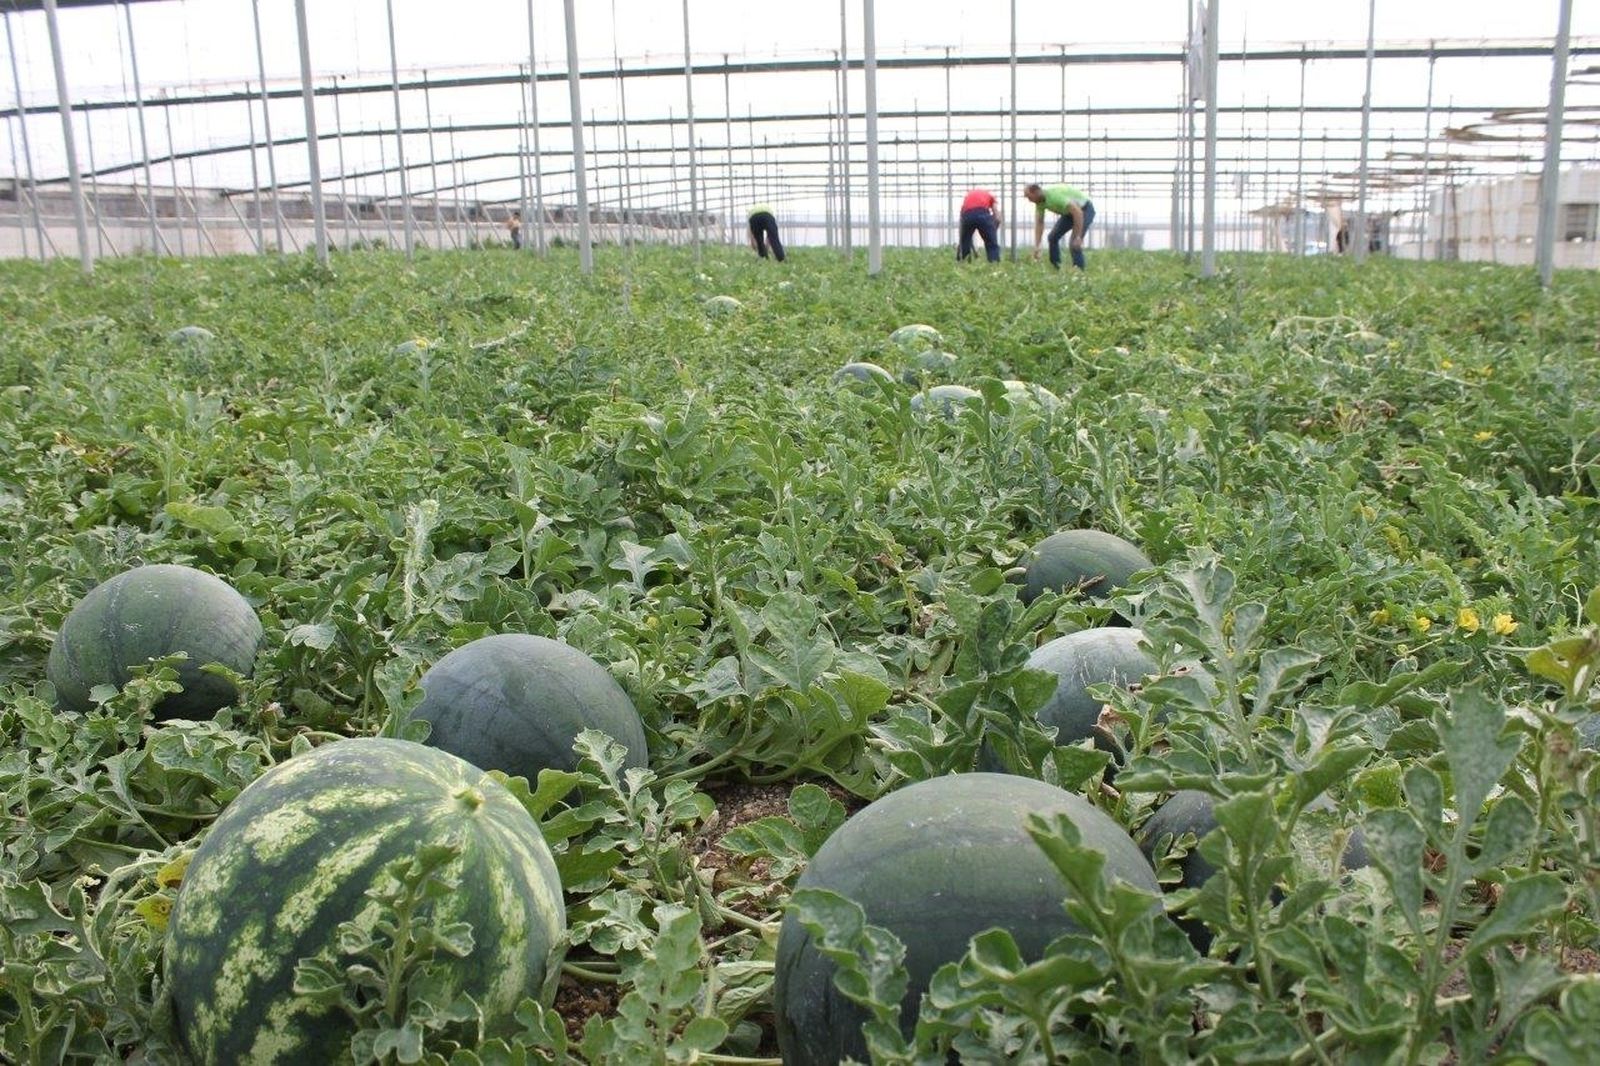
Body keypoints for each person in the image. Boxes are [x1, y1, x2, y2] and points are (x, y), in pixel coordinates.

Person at [1025, 182, 1095, 270]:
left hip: (1085, 210)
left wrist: (1078, 236)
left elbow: (1078, 212)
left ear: (1036, 192)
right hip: (1069, 213)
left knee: (1074, 242)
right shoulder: (1040, 203)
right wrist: (1037, 245)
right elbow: (1039, 222)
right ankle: (1056, 267)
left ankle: (1079, 271)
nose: (1029, 200)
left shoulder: (1054, 196)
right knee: (1052, 237)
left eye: (1029, 196)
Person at [957, 188, 1002, 262]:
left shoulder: (968, 196)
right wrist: (993, 229)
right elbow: (996, 215)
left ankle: (963, 264)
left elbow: (962, 215)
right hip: (983, 214)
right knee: (991, 243)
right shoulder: (990, 196)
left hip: (967, 215)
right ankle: (994, 265)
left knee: (964, 243)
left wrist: (962, 233)